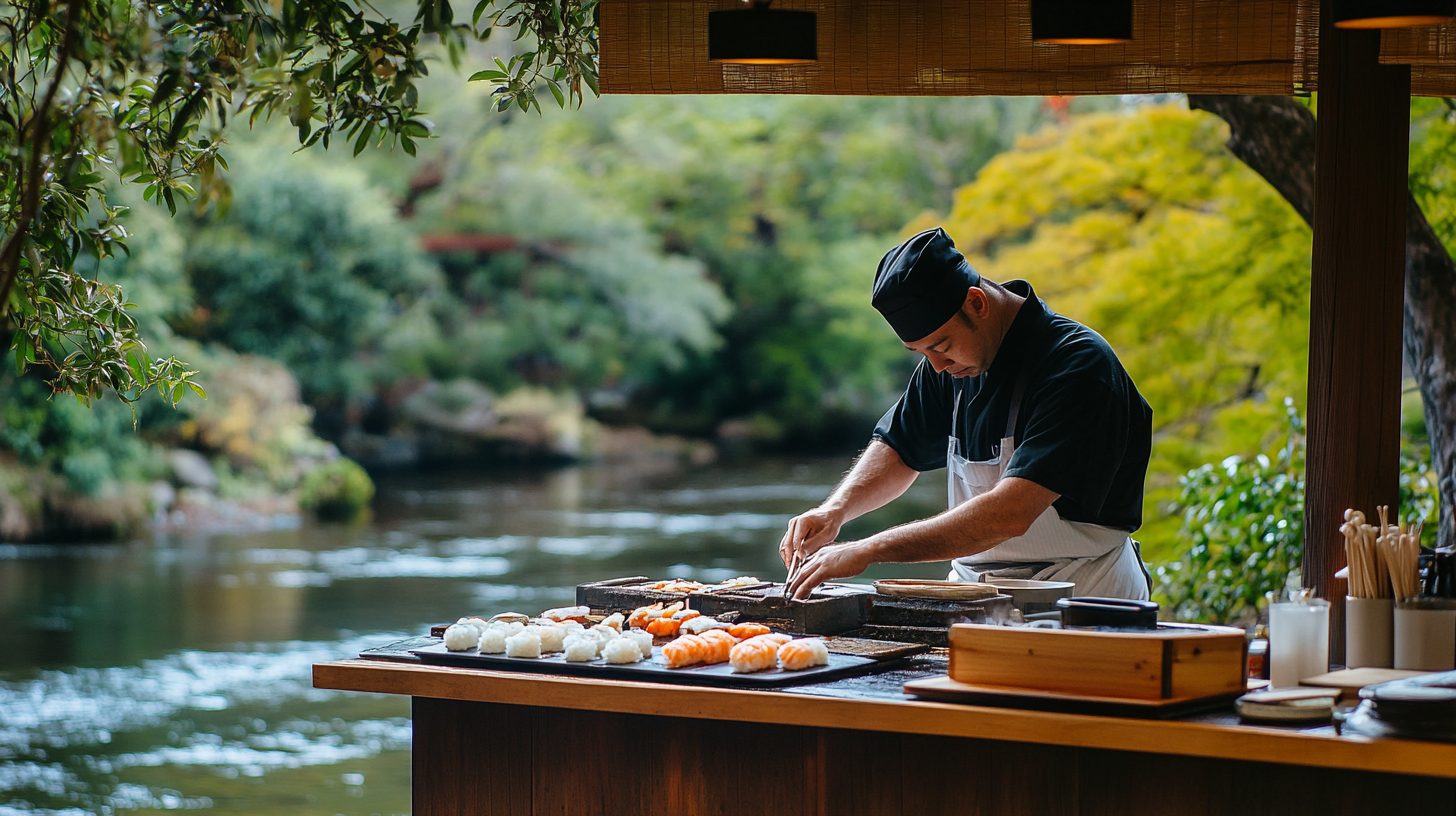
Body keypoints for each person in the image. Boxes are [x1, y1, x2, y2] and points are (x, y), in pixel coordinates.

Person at [780, 227, 1153, 600]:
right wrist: (836, 510)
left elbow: (1010, 513)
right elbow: (899, 447)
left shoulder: (1078, 366)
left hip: (1083, 596)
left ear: (977, 302)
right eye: (922, 352)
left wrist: (869, 549)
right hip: (973, 595)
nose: (937, 366)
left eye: (942, 346)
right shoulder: (950, 366)